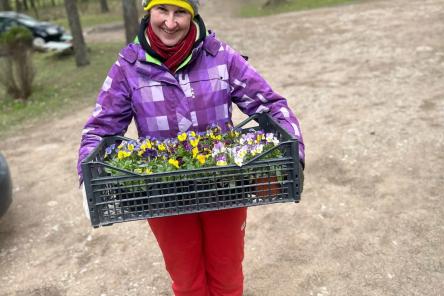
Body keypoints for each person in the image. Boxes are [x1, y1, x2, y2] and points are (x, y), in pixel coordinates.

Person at [77, 0, 305, 295]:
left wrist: (293, 150)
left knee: (227, 276)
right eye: (162, 10)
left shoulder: (220, 56)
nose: (170, 23)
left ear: (193, 14)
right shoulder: (128, 66)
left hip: (225, 187)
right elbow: (101, 128)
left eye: (180, 12)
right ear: (148, 12)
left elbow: (270, 105)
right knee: (187, 282)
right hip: (163, 194)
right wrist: (87, 177)